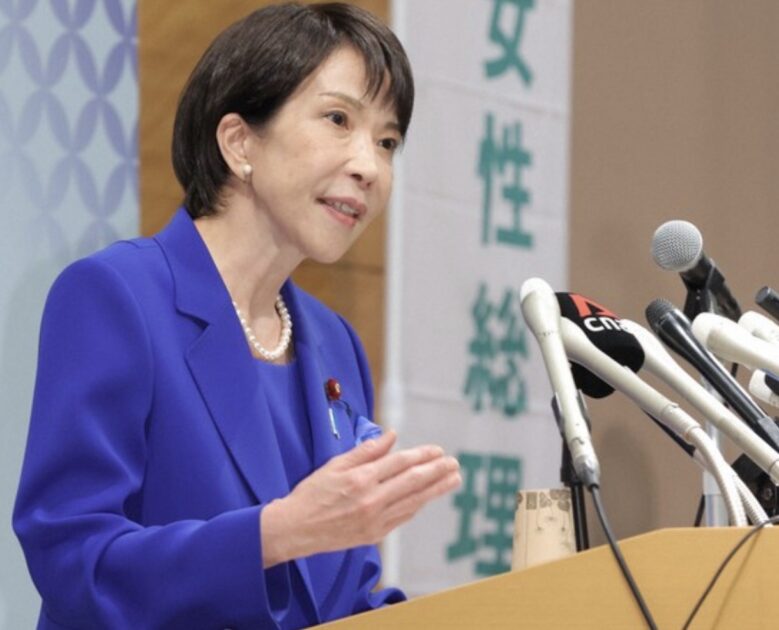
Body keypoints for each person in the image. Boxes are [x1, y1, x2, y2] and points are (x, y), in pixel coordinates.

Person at [13, 3, 462, 628]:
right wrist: (275, 533)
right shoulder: (117, 296)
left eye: (387, 142)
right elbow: (72, 559)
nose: (370, 166)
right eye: (339, 119)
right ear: (239, 142)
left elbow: (345, 598)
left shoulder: (335, 343)